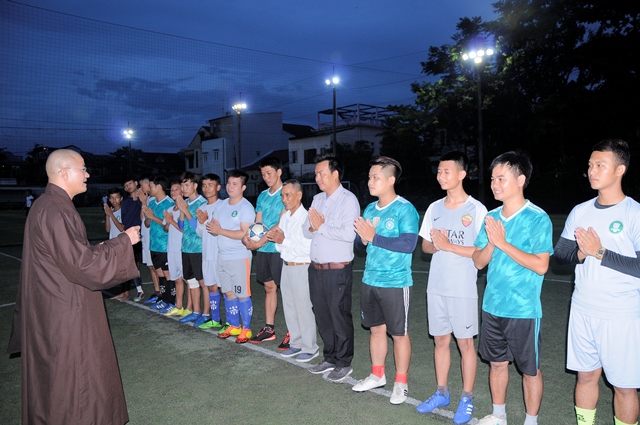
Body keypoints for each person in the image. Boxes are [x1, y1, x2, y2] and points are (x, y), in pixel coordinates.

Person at [7, 149, 140, 424]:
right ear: (64, 173)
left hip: (53, 303)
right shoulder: (55, 209)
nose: (88, 175)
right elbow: (82, 266)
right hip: (66, 309)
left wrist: (99, 248)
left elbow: (68, 255)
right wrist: (123, 241)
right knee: (76, 380)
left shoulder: (47, 205)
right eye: (83, 169)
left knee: (55, 378)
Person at [554, 139, 640, 425]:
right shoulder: (580, 211)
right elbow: (561, 256)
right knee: (586, 376)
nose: (592, 171)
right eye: (590, 165)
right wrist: (582, 252)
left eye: (600, 165)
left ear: (620, 170)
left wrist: (599, 252)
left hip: (621, 314)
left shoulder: (634, 213)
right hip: (582, 310)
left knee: (624, 386)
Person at [472, 151, 553, 425]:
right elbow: (478, 261)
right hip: (492, 305)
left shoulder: (537, 218)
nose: (495, 184)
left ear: (520, 180)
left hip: (523, 310)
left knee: (529, 370)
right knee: (496, 363)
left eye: (501, 178)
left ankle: (531, 420)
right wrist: (492, 242)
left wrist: (503, 243)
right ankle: (499, 415)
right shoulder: (491, 217)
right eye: (493, 179)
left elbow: (541, 265)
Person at [416, 151, 487, 424]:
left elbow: (482, 252)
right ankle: (441, 392)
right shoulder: (434, 208)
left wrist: (449, 245)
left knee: (465, 344)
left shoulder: (477, 209)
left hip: (463, 289)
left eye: (447, 171)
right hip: (436, 287)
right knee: (440, 341)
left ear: (462, 174)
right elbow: (425, 245)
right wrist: (437, 245)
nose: (441, 176)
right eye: (439, 171)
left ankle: (466, 398)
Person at [351, 156, 419, 404]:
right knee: (376, 329)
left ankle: (401, 383)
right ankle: (377, 375)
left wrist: (373, 237)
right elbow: (361, 245)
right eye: (369, 177)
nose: (370, 182)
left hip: (395, 282)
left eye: (375, 177)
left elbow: (409, 244)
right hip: (370, 279)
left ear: (391, 180)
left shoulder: (405, 209)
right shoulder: (370, 209)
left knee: (398, 333)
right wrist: (363, 239)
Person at [303, 154, 360, 382]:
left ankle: (344, 362)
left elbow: (348, 234)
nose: (317, 178)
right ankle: (330, 357)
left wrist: (321, 226)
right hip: (316, 268)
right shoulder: (317, 199)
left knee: (339, 314)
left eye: (321, 173)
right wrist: (314, 227)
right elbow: (306, 230)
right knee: (322, 314)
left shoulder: (348, 200)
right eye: (316, 174)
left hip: (337, 269)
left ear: (335, 174)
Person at [267, 179, 319, 362]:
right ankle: (296, 343)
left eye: (288, 195)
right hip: (287, 265)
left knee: (303, 308)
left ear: (299, 195)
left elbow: (307, 249)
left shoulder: (306, 217)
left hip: (301, 266)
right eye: (282, 196)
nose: (284, 199)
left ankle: (310, 347)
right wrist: (281, 242)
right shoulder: (285, 217)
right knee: (289, 307)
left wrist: (284, 241)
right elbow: (280, 246)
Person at [207, 169, 256, 343]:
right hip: (222, 256)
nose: (230, 186)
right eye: (228, 183)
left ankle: (246, 329)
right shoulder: (221, 205)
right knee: (228, 293)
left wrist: (220, 230)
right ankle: (234, 325)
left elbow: (244, 233)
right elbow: (214, 228)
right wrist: (213, 229)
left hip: (239, 256)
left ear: (243, 187)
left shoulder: (246, 207)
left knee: (242, 294)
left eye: (235, 184)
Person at [243, 157, 287, 346]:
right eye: (263, 174)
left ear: (279, 172)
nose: (266, 177)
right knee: (269, 287)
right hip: (264, 249)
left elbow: (281, 223)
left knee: (288, 291)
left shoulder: (287, 192)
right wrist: (249, 238)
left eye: (269, 173)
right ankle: (269, 328)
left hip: (280, 249)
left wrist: (258, 243)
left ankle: (293, 331)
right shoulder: (262, 196)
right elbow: (258, 223)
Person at [174, 172, 208, 325]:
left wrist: (186, 210)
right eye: (182, 185)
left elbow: (199, 228)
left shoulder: (203, 203)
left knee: (203, 283)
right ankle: (195, 312)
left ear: (195, 185)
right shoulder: (186, 203)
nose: (183, 188)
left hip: (199, 249)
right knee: (192, 282)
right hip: (186, 248)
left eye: (186, 185)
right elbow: (181, 227)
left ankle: (206, 314)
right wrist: (182, 209)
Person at [193, 173, 224, 329]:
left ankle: (233, 322)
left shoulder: (223, 206)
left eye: (210, 185)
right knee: (211, 286)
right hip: (207, 254)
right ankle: (215, 319)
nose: (206, 188)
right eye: (204, 185)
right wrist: (201, 223)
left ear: (218, 187)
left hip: (221, 254)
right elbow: (200, 233)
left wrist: (206, 222)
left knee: (226, 288)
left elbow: (222, 230)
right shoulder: (202, 208)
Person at [142, 176, 175, 313]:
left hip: (165, 245)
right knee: (160, 273)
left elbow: (167, 224)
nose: (149, 189)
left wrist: (152, 217)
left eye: (151, 186)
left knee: (168, 275)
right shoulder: (152, 203)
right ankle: (164, 300)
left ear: (159, 186)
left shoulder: (169, 203)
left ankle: (172, 302)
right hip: (153, 244)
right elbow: (147, 224)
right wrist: (147, 217)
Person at [163, 181, 192, 317]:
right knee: (177, 279)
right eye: (172, 190)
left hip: (182, 248)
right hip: (171, 249)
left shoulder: (186, 208)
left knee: (188, 280)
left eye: (177, 189)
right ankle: (179, 306)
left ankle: (189, 307)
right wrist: (168, 222)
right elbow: (166, 228)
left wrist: (171, 221)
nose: (173, 192)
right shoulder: (170, 209)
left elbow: (182, 229)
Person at [121, 176, 145, 302]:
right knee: (134, 263)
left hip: (146, 235)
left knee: (151, 265)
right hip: (133, 237)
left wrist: (140, 200)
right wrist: (135, 201)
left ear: (136, 183)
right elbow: (125, 220)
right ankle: (139, 290)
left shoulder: (144, 197)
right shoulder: (125, 202)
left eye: (130, 183)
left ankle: (160, 292)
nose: (128, 187)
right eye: (126, 186)